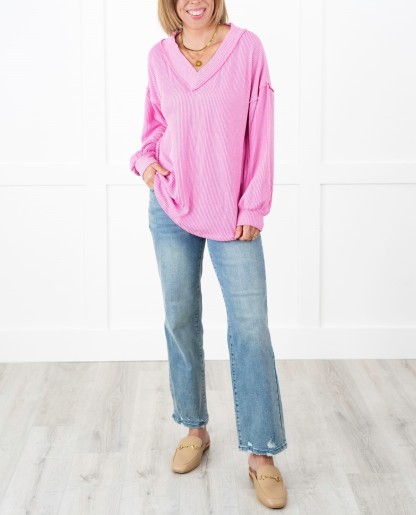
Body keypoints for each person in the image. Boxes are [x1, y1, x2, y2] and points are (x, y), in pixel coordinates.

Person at [130, 0, 288, 509]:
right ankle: (194, 428)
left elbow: (261, 129)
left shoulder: (247, 49)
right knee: (180, 315)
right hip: (171, 204)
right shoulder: (159, 56)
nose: (193, 1)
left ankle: (262, 452)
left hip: (232, 211)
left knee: (250, 327)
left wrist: (253, 204)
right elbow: (156, 125)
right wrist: (147, 164)